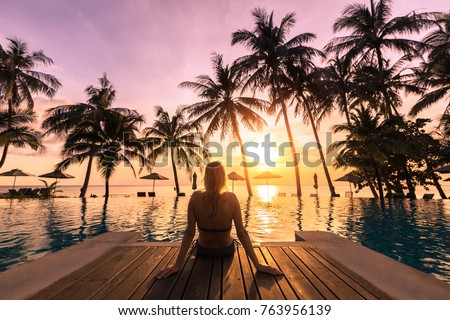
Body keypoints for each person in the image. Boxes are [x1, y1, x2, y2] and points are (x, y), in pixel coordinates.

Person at [157, 161, 282, 279]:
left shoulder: (195, 197)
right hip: (226, 250)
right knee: (233, 238)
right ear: (223, 178)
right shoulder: (232, 198)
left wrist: (177, 265)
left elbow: (190, 232)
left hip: (203, 251)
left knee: (197, 241)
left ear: (206, 178)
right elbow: (241, 232)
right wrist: (258, 265)